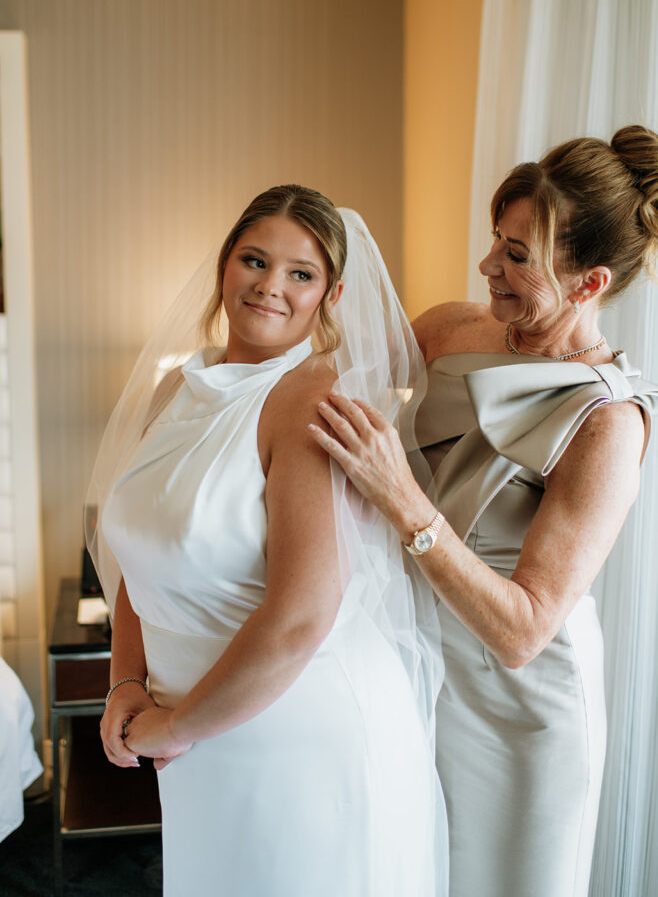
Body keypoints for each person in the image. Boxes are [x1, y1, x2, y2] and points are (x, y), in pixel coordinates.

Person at [310, 125, 658, 897]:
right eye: (496, 241)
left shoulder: (609, 424)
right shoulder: (450, 330)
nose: (489, 265)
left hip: (522, 711)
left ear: (590, 283)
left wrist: (400, 498)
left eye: (519, 256)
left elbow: (523, 631)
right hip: (415, 663)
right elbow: (316, 394)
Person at [88, 186, 447, 897]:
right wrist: (125, 684)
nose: (269, 287)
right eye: (254, 260)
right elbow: (143, 557)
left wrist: (175, 726)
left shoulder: (315, 400)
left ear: (332, 294)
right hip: (192, 731)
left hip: (296, 733)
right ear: (225, 264)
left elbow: (300, 617)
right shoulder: (175, 391)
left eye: (300, 274)